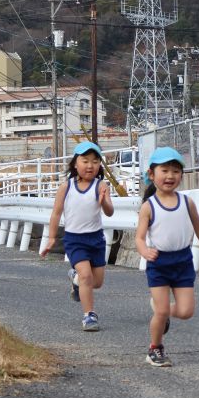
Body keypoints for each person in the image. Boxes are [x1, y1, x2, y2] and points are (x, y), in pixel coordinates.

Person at [135, 147, 199, 367]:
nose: (170, 176)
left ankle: (160, 311)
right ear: (152, 175)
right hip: (159, 263)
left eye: (175, 171)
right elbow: (139, 238)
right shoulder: (148, 206)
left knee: (185, 311)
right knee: (162, 310)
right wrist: (144, 251)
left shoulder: (187, 202)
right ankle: (155, 348)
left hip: (183, 261)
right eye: (165, 170)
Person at [39, 142, 115, 332]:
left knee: (96, 282)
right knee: (87, 277)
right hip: (74, 240)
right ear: (75, 163)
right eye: (85, 161)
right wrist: (51, 239)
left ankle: (75, 278)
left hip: (96, 239)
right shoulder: (67, 187)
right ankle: (89, 315)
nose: (90, 165)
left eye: (95, 161)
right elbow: (56, 213)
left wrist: (104, 201)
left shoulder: (101, 185)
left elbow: (110, 212)